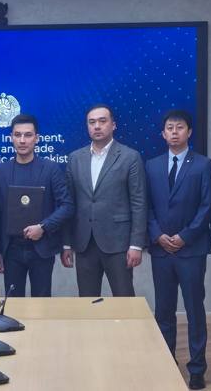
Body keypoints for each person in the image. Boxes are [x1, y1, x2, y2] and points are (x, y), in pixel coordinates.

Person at [145, 109, 211, 390]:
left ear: (189, 132)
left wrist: (185, 236)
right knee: (163, 311)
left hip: (191, 250)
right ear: (162, 134)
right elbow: (146, 206)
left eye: (180, 127)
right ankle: (166, 362)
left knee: (194, 310)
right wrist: (157, 235)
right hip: (161, 250)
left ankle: (197, 369)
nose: (174, 132)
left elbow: (208, 206)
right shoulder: (151, 165)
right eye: (170, 128)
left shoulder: (204, 164)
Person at [62, 104, 147, 296]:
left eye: (102, 121)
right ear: (87, 126)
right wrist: (66, 244)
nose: (97, 126)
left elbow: (139, 203)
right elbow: (69, 204)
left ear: (113, 125)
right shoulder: (75, 158)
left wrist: (136, 244)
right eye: (92, 122)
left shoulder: (130, 157)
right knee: (87, 301)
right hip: (84, 242)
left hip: (118, 242)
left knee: (124, 298)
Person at [0, 114, 74, 297]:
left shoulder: (51, 169)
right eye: (17, 135)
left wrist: (43, 227)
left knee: (41, 305)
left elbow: (67, 206)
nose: (22, 140)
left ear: (37, 138)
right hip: (11, 250)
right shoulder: (1, 172)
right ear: (11, 138)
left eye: (28, 135)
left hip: (42, 249)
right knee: (13, 304)